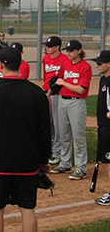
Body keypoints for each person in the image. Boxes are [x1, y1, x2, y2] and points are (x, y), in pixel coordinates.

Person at [0, 46, 51, 232]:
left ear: (0, 65)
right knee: (27, 208)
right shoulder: (36, 92)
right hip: (27, 160)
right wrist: (43, 160)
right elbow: (45, 131)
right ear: (20, 64)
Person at [49, 40, 91, 180]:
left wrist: (63, 83)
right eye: (67, 50)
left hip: (76, 103)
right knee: (63, 134)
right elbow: (58, 79)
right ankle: (65, 163)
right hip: (62, 100)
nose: (69, 53)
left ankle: (81, 168)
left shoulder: (85, 67)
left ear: (79, 51)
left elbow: (80, 89)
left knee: (78, 136)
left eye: (71, 50)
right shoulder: (65, 63)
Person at [42, 36, 67, 166]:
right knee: (48, 123)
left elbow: (59, 81)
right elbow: (46, 77)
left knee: (57, 124)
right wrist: (45, 91)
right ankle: (51, 149)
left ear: (57, 47)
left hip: (56, 94)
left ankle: (58, 153)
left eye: (50, 46)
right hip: (46, 93)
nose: (47, 48)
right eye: (46, 46)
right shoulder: (45, 58)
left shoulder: (64, 60)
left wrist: (49, 93)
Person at [90, 51, 110, 205]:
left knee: (109, 161)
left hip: (109, 126)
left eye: (100, 63)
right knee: (104, 160)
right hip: (103, 124)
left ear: (109, 64)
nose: (97, 66)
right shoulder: (104, 79)